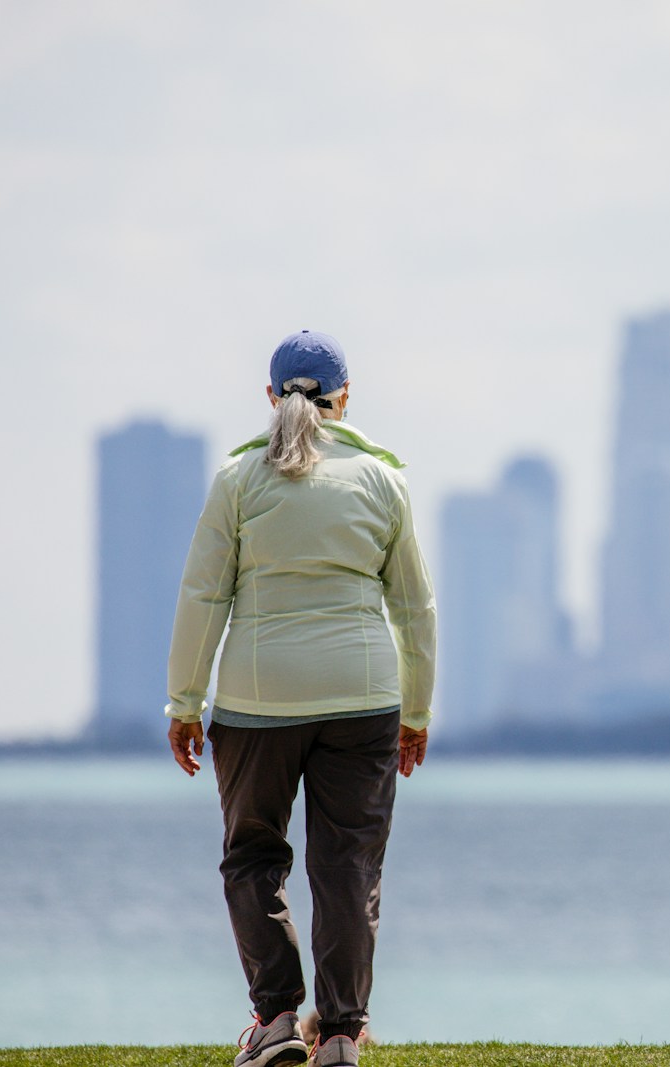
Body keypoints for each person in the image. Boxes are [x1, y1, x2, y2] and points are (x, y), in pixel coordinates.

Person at [164, 329, 436, 1067]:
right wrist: (416, 711)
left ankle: (277, 1018)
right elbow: (415, 610)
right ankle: (342, 1034)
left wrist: (184, 702)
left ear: (269, 397)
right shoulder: (383, 480)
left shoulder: (238, 480)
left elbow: (202, 596)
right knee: (348, 863)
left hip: (257, 701)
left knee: (253, 855)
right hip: (364, 697)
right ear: (346, 399)